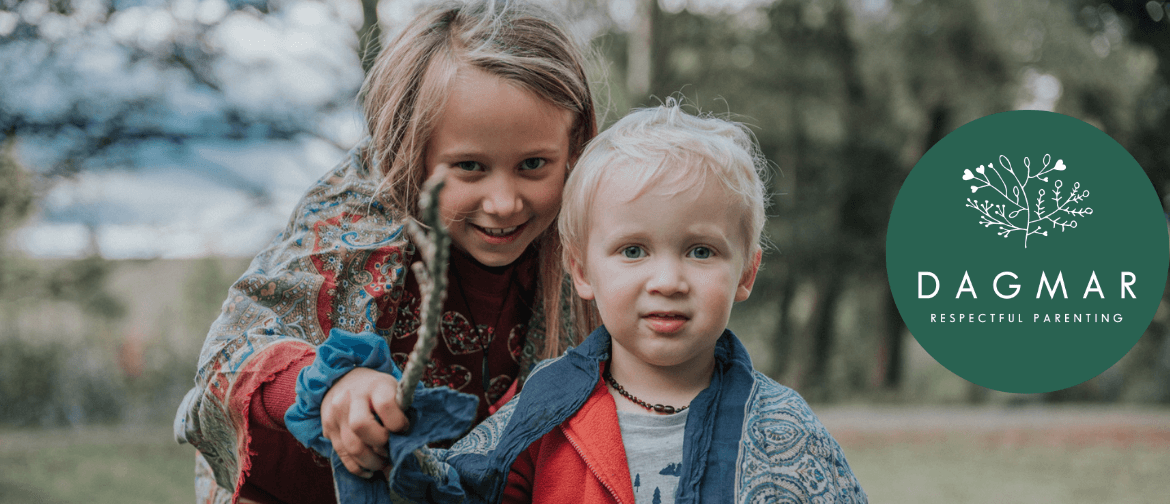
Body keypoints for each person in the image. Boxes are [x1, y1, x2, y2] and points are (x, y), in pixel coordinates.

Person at [172, 1, 599, 502]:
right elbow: (236, 351)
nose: (504, 203)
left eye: (533, 164)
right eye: (468, 167)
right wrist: (332, 388)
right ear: (409, 152)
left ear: (574, 148)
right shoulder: (356, 220)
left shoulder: (591, 232)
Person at [369, 104, 868, 503]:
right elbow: (459, 489)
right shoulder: (545, 410)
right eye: (633, 251)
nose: (668, 281)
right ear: (582, 270)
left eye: (701, 251)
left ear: (746, 273)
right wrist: (390, 445)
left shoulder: (784, 429)